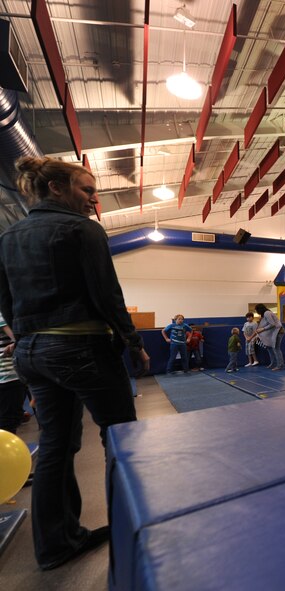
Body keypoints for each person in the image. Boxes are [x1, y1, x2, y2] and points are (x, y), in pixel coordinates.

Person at [0, 156, 149, 570]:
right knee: (121, 438)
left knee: (55, 446)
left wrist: (25, 337)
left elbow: (6, 301)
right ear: (57, 189)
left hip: (32, 353)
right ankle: (137, 527)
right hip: (80, 347)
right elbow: (107, 294)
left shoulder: (8, 236)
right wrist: (133, 341)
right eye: (87, 190)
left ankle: (56, 544)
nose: (94, 199)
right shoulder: (82, 230)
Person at [0, 310, 27, 434]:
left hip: (7, 376)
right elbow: (20, 339)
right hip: (8, 375)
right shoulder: (2, 314)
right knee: (8, 424)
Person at [255, 304, 284, 370]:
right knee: (270, 348)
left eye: (257, 310)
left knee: (276, 348)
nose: (257, 312)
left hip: (278, 331)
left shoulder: (267, 313)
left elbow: (272, 324)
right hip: (275, 332)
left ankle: (280, 365)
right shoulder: (266, 314)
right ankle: (274, 363)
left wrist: (263, 329)